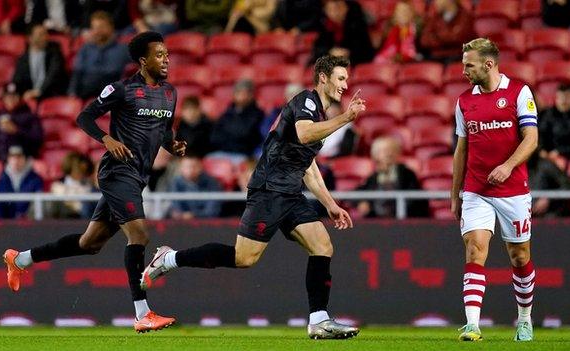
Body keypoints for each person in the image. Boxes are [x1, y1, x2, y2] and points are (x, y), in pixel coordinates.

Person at [141, 55, 365, 339]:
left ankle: (319, 320)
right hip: (269, 189)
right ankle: (169, 258)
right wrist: (346, 118)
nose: (345, 85)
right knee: (244, 258)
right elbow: (305, 134)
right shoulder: (305, 102)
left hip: (290, 192)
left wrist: (330, 204)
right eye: (341, 78)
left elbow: (306, 164)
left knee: (322, 245)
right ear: (323, 77)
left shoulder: (318, 114)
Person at [2, 31, 187, 333]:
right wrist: (107, 139)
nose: (166, 59)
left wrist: (174, 146)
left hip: (137, 177)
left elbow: (164, 131)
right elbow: (84, 117)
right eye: (159, 54)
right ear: (143, 61)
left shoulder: (170, 93)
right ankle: (143, 313)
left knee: (90, 244)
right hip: (117, 172)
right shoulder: (122, 89)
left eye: (166, 54)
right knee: (139, 235)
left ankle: (20, 259)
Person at [451, 38, 539, 342]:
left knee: (519, 256)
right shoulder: (464, 101)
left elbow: (531, 139)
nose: (463, 70)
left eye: (469, 65)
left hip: (513, 190)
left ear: (489, 64)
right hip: (476, 190)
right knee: (475, 248)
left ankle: (525, 319)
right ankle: (472, 324)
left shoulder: (519, 92)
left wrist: (508, 166)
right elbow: (461, 149)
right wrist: (455, 194)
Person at [357, 136, 428, 218]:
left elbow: (415, 198)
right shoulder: (373, 177)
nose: (388, 154)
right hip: (376, 221)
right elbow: (356, 193)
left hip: (402, 220)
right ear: (375, 155)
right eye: (384, 151)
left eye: (392, 151)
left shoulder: (407, 174)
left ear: (398, 154)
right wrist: (361, 201)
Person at [68, 11, 131, 99]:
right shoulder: (86, 48)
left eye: (101, 27)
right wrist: (72, 93)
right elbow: (77, 72)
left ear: (111, 27)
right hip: (86, 92)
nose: (98, 31)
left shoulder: (123, 49)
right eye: (94, 28)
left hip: (111, 94)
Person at [0, 83, 44, 162]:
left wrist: (16, 130)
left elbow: (37, 138)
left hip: (22, 159)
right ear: (3, 99)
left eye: (14, 96)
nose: (11, 100)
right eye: (7, 97)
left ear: (20, 98)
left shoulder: (30, 117)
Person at [208, 79, 264, 165]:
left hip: (243, 155)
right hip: (222, 152)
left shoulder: (257, 114)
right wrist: (233, 136)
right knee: (208, 160)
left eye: (244, 93)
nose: (241, 96)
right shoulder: (227, 113)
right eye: (238, 92)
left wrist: (228, 135)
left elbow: (246, 135)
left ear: (251, 95)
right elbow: (214, 137)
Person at [12, 23, 68, 101]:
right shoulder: (23, 58)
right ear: (30, 38)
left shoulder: (54, 51)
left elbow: (54, 74)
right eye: (40, 34)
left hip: (51, 95)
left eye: (46, 33)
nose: (45, 37)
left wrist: (39, 91)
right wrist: (12, 94)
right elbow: (16, 80)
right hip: (30, 98)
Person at [310, 0, 374, 66]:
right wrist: (330, 52)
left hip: (356, 64)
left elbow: (366, 52)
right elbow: (317, 51)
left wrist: (347, 53)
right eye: (331, 10)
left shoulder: (357, 24)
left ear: (346, 8)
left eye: (339, 8)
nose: (336, 13)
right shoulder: (324, 26)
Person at [538, 83, 570, 161]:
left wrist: (560, 152)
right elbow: (541, 134)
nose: (563, 101)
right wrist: (542, 150)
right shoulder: (548, 114)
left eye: (567, 97)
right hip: (551, 154)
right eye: (560, 97)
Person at [0, 145, 44, 219]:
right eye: (12, 157)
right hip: (5, 223)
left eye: (19, 157)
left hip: (28, 223)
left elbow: (37, 204)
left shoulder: (35, 179)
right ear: (8, 159)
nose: (15, 161)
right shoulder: (1, 178)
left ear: (25, 159)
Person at [47, 152, 97, 219]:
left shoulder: (90, 186)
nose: (83, 172)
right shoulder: (58, 186)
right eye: (79, 168)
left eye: (85, 169)